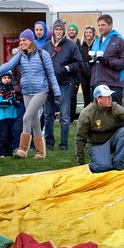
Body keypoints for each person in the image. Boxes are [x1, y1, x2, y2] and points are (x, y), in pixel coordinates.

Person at [0, 28, 61, 159]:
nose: (21, 43)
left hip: (41, 91)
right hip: (26, 92)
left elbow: (51, 74)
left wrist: (57, 93)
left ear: (30, 41)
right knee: (35, 122)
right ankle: (40, 153)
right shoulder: (20, 55)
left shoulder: (43, 54)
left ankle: (22, 150)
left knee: (26, 118)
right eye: (20, 41)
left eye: (23, 40)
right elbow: (8, 65)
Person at [43, 19, 83, 151]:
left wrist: (67, 68)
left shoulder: (71, 46)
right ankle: (49, 144)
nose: (59, 32)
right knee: (48, 115)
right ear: (53, 31)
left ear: (63, 31)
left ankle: (64, 145)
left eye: (61, 29)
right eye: (56, 29)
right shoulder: (47, 45)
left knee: (65, 117)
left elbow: (79, 64)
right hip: (48, 86)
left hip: (64, 84)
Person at [90, 14, 124, 104]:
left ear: (110, 25)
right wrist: (89, 62)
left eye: (103, 25)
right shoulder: (96, 41)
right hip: (97, 84)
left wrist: (108, 62)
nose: (100, 27)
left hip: (113, 85)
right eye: (99, 25)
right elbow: (94, 63)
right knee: (98, 116)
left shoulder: (120, 41)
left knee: (114, 115)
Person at [0, 71, 21, 157]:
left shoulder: (10, 89)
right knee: (3, 136)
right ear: (0, 79)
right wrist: (9, 102)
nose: (7, 80)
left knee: (10, 136)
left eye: (9, 78)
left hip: (11, 116)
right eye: (4, 78)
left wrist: (15, 103)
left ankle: (8, 152)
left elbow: (12, 100)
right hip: (3, 117)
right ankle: (0, 152)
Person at [79, 25, 97, 108]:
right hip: (84, 74)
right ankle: (86, 116)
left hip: (94, 74)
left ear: (93, 33)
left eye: (90, 32)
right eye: (86, 32)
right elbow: (79, 59)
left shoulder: (96, 44)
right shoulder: (82, 46)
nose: (88, 34)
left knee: (95, 96)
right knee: (86, 97)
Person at [66, 23, 81, 119]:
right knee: (68, 96)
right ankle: (69, 115)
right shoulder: (65, 44)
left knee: (72, 95)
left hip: (76, 73)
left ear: (76, 31)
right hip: (66, 73)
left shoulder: (80, 43)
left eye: (73, 30)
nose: (71, 31)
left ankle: (71, 116)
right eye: (70, 30)